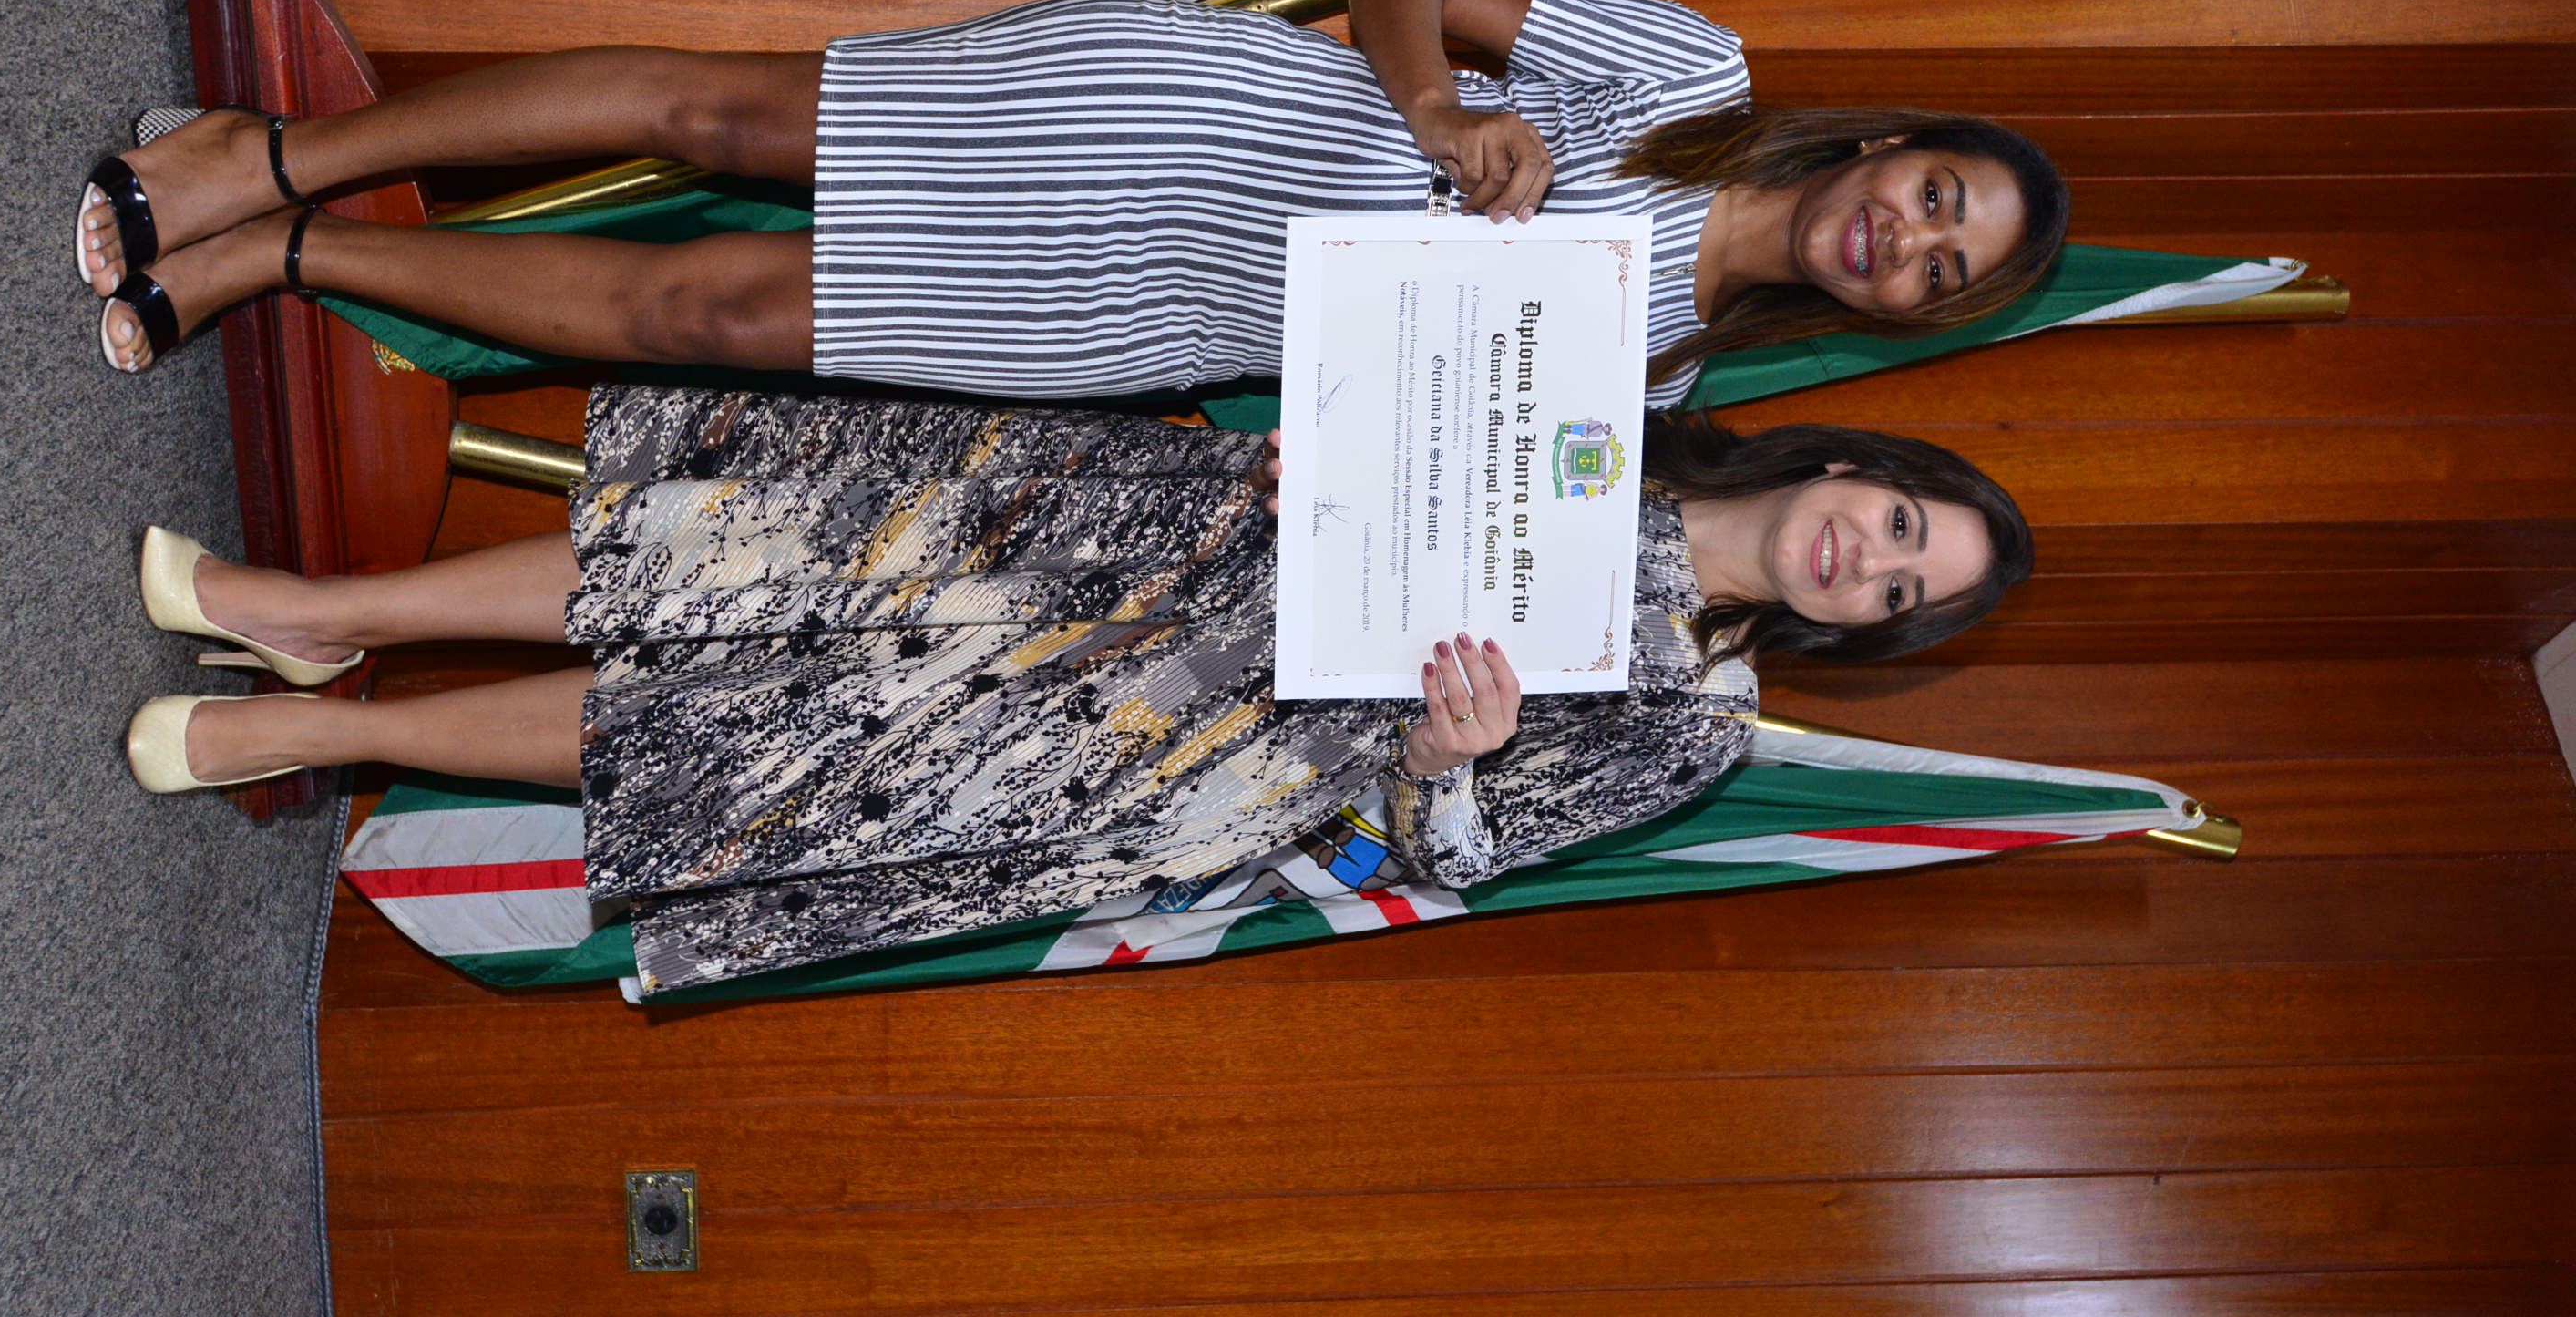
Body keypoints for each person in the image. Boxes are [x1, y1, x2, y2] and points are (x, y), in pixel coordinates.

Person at [123, 390, 2032, 993]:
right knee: (711, 557)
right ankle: (320, 611)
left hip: (1175, 744)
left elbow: (1454, 854)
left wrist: (1450, 756)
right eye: (1897, 522)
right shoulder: (1612, 403)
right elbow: (1385, 371)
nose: (1864, 559)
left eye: (1901, 591)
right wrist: (1322, 436)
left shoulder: (1694, 714)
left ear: (1870, 627)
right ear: (1856, 468)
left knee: (722, 748)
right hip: (1141, 526)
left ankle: (324, 728)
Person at [77, 0, 2069, 407]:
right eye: (1935, 198)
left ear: (1911, 310)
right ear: (1893, 146)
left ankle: (290, 258)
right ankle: (272, 151)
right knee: (722, 120)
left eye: (1940, 269)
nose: (1902, 241)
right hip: (1176, 117)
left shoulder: (1665, 381)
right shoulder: (1695, 76)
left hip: (1150, 313)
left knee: (709, 312)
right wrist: (1435, 112)